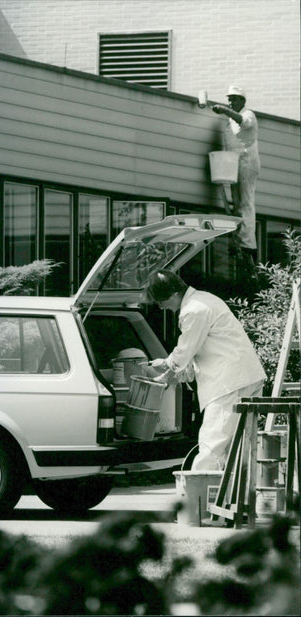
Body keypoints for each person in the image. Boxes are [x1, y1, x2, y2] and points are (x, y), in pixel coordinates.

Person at [145, 270, 266, 471]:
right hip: (244, 378)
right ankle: (233, 500)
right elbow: (200, 354)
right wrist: (176, 374)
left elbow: (184, 351)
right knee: (239, 448)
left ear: (174, 294)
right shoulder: (205, 300)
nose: (161, 307)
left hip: (228, 384)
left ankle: (198, 497)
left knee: (212, 445)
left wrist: (167, 366)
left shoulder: (193, 310)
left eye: (161, 301)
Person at [211, 85, 260, 264]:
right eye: (228, 99)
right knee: (238, 204)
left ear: (241, 100)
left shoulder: (249, 114)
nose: (230, 102)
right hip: (236, 164)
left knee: (246, 203)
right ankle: (242, 240)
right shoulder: (229, 122)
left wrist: (224, 110)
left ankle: (249, 245)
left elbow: (243, 122)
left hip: (247, 163)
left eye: (233, 99)